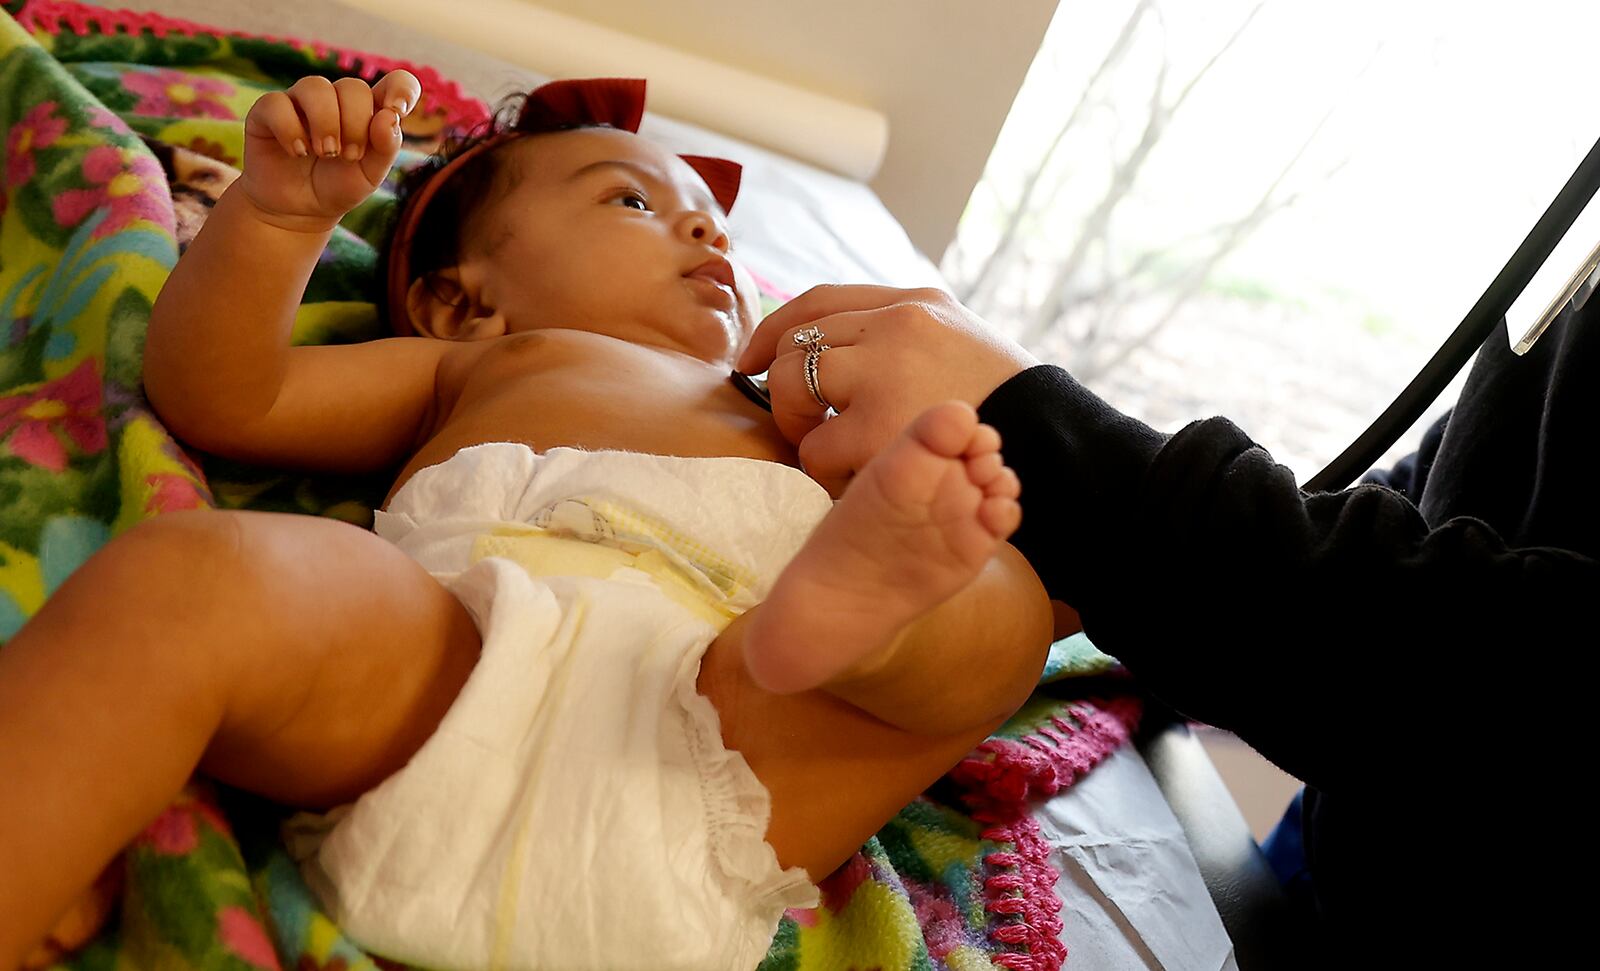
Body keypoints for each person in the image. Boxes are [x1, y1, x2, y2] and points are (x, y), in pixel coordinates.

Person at [0, 74, 1057, 971]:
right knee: (194, 577)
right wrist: (279, 221)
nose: (702, 227)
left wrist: (925, 513)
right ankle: (56, 806)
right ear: (465, 303)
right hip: (463, 669)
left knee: (997, 615)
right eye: (632, 203)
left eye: (714, 222)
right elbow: (227, 394)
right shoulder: (489, 360)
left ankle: (868, 612)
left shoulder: (808, 422)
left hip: (743, 732)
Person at [737, 259, 1598, 962]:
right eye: (627, 200)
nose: (696, 225)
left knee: (961, 640)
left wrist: (1073, 471)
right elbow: (1450, 494)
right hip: (1364, 838)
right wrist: (1152, 577)